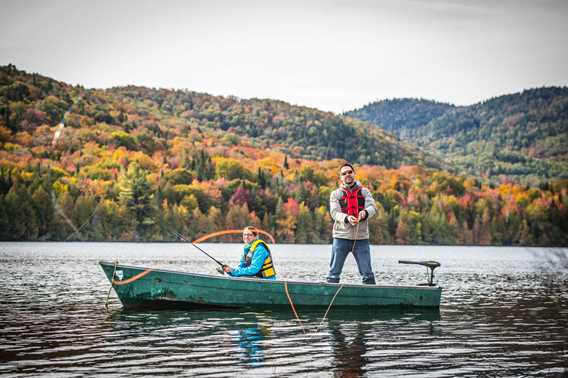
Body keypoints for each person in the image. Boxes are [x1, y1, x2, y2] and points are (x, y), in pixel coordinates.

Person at [327, 163, 377, 284]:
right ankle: (328, 297)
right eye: (344, 173)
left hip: (361, 238)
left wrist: (364, 213)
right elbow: (334, 213)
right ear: (340, 178)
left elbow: (372, 208)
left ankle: (371, 297)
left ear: (354, 174)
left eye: (349, 172)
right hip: (341, 237)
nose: (347, 175)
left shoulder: (365, 192)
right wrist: (347, 218)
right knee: (333, 274)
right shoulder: (335, 194)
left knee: (368, 274)